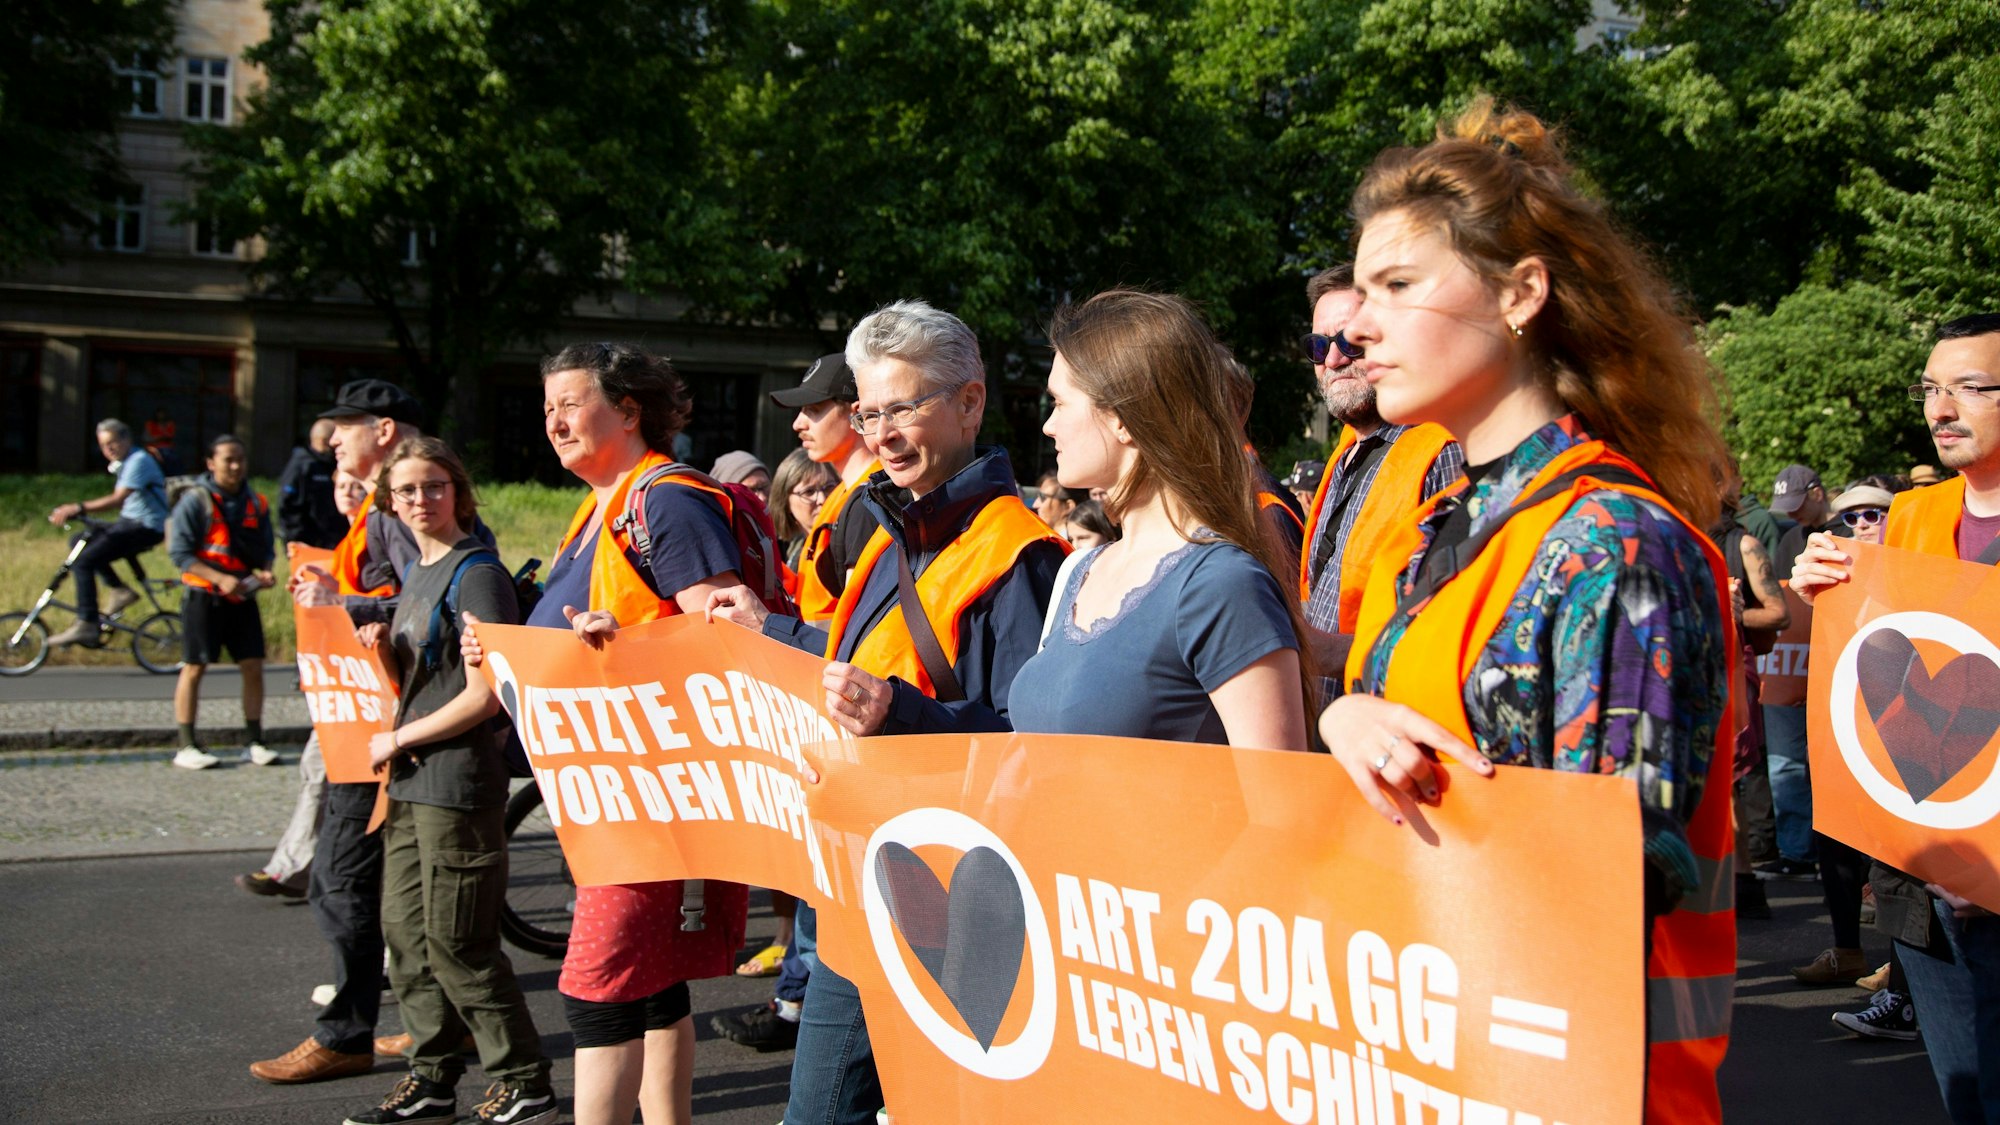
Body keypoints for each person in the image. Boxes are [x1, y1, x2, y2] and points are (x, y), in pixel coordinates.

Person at [1319, 100, 1736, 1123]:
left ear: (1520, 294)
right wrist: (1340, 719)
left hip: (1577, 1087)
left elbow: (1611, 886)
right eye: (1357, 290)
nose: (1353, 325)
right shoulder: (1438, 519)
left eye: (1396, 287)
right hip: (1441, 1065)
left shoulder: (1612, 544)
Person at [707, 298, 1065, 1125]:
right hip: (858, 881)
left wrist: (899, 712)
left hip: (950, 909)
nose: (881, 432)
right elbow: (853, 666)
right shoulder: (889, 532)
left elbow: (1032, 751)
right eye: (869, 411)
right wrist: (766, 632)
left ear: (970, 402)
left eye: (903, 406)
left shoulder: (1017, 555)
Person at [467, 342, 750, 1125]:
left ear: (627, 411)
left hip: (653, 799)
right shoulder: (603, 504)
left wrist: (620, 643)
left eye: (570, 402)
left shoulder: (664, 501)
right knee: (653, 983)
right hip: (619, 791)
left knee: (595, 984)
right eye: (547, 404)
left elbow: (729, 635)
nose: (553, 419)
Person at [1792, 313, 2000, 1120]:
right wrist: (1829, 589)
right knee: (1962, 1093)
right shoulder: (1909, 520)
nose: (1941, 408)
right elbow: (1879, 664)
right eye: (1931, 388)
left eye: (1971, 387)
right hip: (1927, 880)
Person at [250, 378, 484, 1086]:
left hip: (384, 724)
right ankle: (419, 1023)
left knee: (341, 879)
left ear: (382, 430)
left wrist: (340, 602)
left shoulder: (400, 502)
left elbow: (420, 598)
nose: (330, 440)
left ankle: (348, 1029)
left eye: (342, 427)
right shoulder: (378, 504)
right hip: (366, 716)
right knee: (370, 884)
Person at [340, 436, 554, 1125]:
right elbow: (431, 683)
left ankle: (525, 1079)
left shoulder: (477, 572)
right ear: (389, 503)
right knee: (405, 934)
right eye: (406, 491)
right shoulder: (420, 572)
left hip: (457, 783)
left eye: (434, 486)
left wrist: (398, 735)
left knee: (459, 941)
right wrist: (386, 659)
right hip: (408, 779)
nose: (420, 500)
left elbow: (486, 695)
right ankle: (432, 1078)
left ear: (458, 492)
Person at [1010, 288, 1310, 750]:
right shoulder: (1082, 569)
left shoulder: (1221, 585)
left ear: (1122, 419)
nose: (1048, 425)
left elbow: (1276, 805)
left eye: (1060, 403)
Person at [1296, 265, 1463, 700]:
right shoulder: (1344, 454)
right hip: (1325, 729)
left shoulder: (1442, 453)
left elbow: (1448, 631)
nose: (1332, 360)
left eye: (1350, 341)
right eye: (1318, 346)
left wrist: (1330, 653)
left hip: (1384, 733)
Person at [238, 468, 372, 898]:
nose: (348, 491)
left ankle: (313, 871)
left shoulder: (377, 535)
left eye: (357, 483)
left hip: (369, 684)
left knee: (327, 772)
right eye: (340, 484)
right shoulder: (348, 543)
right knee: (319, 768)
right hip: (347, 682)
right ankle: (298, 867)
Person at [165, 435, 276, 771]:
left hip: (243, 596)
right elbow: (180, 554)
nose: (236, 465)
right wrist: (219, 579)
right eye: (228, 459)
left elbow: (267, 548)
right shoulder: (194, 501)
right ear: (210, 463)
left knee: (253, 665)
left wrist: (266, 573)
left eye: (240, 458)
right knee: (194, 666)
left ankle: (254, 741)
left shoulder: (256, 502)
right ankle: (186, 743)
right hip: (204, 597)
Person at [1761, 462, 1834, 881]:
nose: (1791, 513)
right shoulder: (1789, 538)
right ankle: (1797, 851)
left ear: (1818, 493)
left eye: (1798, 503)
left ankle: (1840, 855)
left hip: (1828, 664)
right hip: (1794, 664)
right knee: (1787, 762)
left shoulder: (1845, 531)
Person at [771, 352, 880, 625]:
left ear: (858, 414)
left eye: (814, 409)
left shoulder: (869, 500)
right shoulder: (843, 494)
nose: (798, 424)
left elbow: (860, 624)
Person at [44, 418, 172, 647]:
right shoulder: (126, 463)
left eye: (113, 442)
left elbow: (117, 499)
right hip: (129, 523)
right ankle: (119, 590)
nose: (109, 449)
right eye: (103, 445)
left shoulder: (138, 460)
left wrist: (78, 507)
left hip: (146, 527)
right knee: (79, 540)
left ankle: (86, 623)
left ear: (127, 440)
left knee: (83, 562)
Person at [770, 447, 840, 576]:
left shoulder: (846, 547)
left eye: (829, 487)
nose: (822, 499)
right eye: (809, 492)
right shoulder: (793, 556)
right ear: (785, 503)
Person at [279, 417, 346, 549]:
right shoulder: (302, 465)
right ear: (323, 441)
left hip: (336, 540)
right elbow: (288, 505)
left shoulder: (336, 464)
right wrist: (295, 538)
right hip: (309, 543)